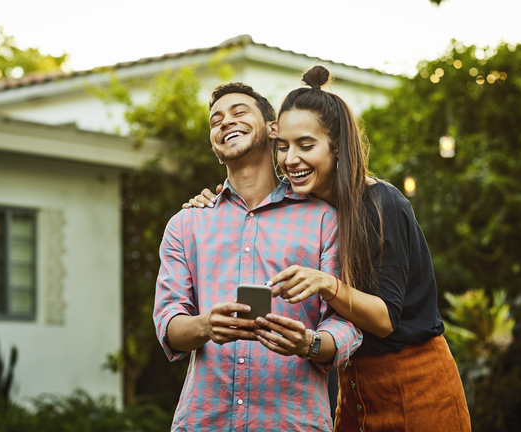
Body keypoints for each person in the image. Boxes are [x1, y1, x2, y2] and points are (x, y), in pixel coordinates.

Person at [184, 66, 472, 432]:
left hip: (413, 377)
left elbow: (385, 320)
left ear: (336, 147)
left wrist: (326, 284)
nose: (291, 160)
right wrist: (214, 201)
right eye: (284, 147)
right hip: (352, 382)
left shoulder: (380, 202)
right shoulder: (314, 209)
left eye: (306, 145)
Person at [153, 82, 363, 432]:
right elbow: (168, 324)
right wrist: (205, 325)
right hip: (203, 422)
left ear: (272, 129)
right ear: (214, 146)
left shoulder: (324, 220)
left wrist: (308, 343)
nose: (224, 122)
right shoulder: (186, 224)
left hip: (293, 422)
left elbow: (346, 325)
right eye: (215, 120)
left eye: (238, 112)